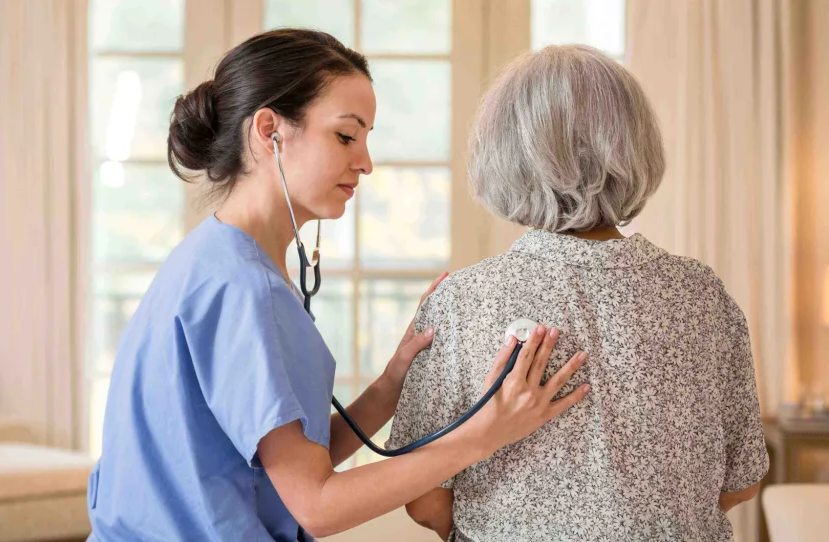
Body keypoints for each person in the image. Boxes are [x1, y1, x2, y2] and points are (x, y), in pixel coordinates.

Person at [86, 29, 590, 541]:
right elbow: (317, 504)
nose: (365, 162)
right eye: (346, 136)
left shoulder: (215, 258)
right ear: (269, 131)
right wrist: (484, 436)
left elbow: (285, 462)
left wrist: (392, 381)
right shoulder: (243, 289)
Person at [389, 44, 769, 541]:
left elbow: (421, 498)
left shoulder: (462, 301)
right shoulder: (702, 295)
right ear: (636, 146)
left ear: (503, 154)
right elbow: (741, 483)